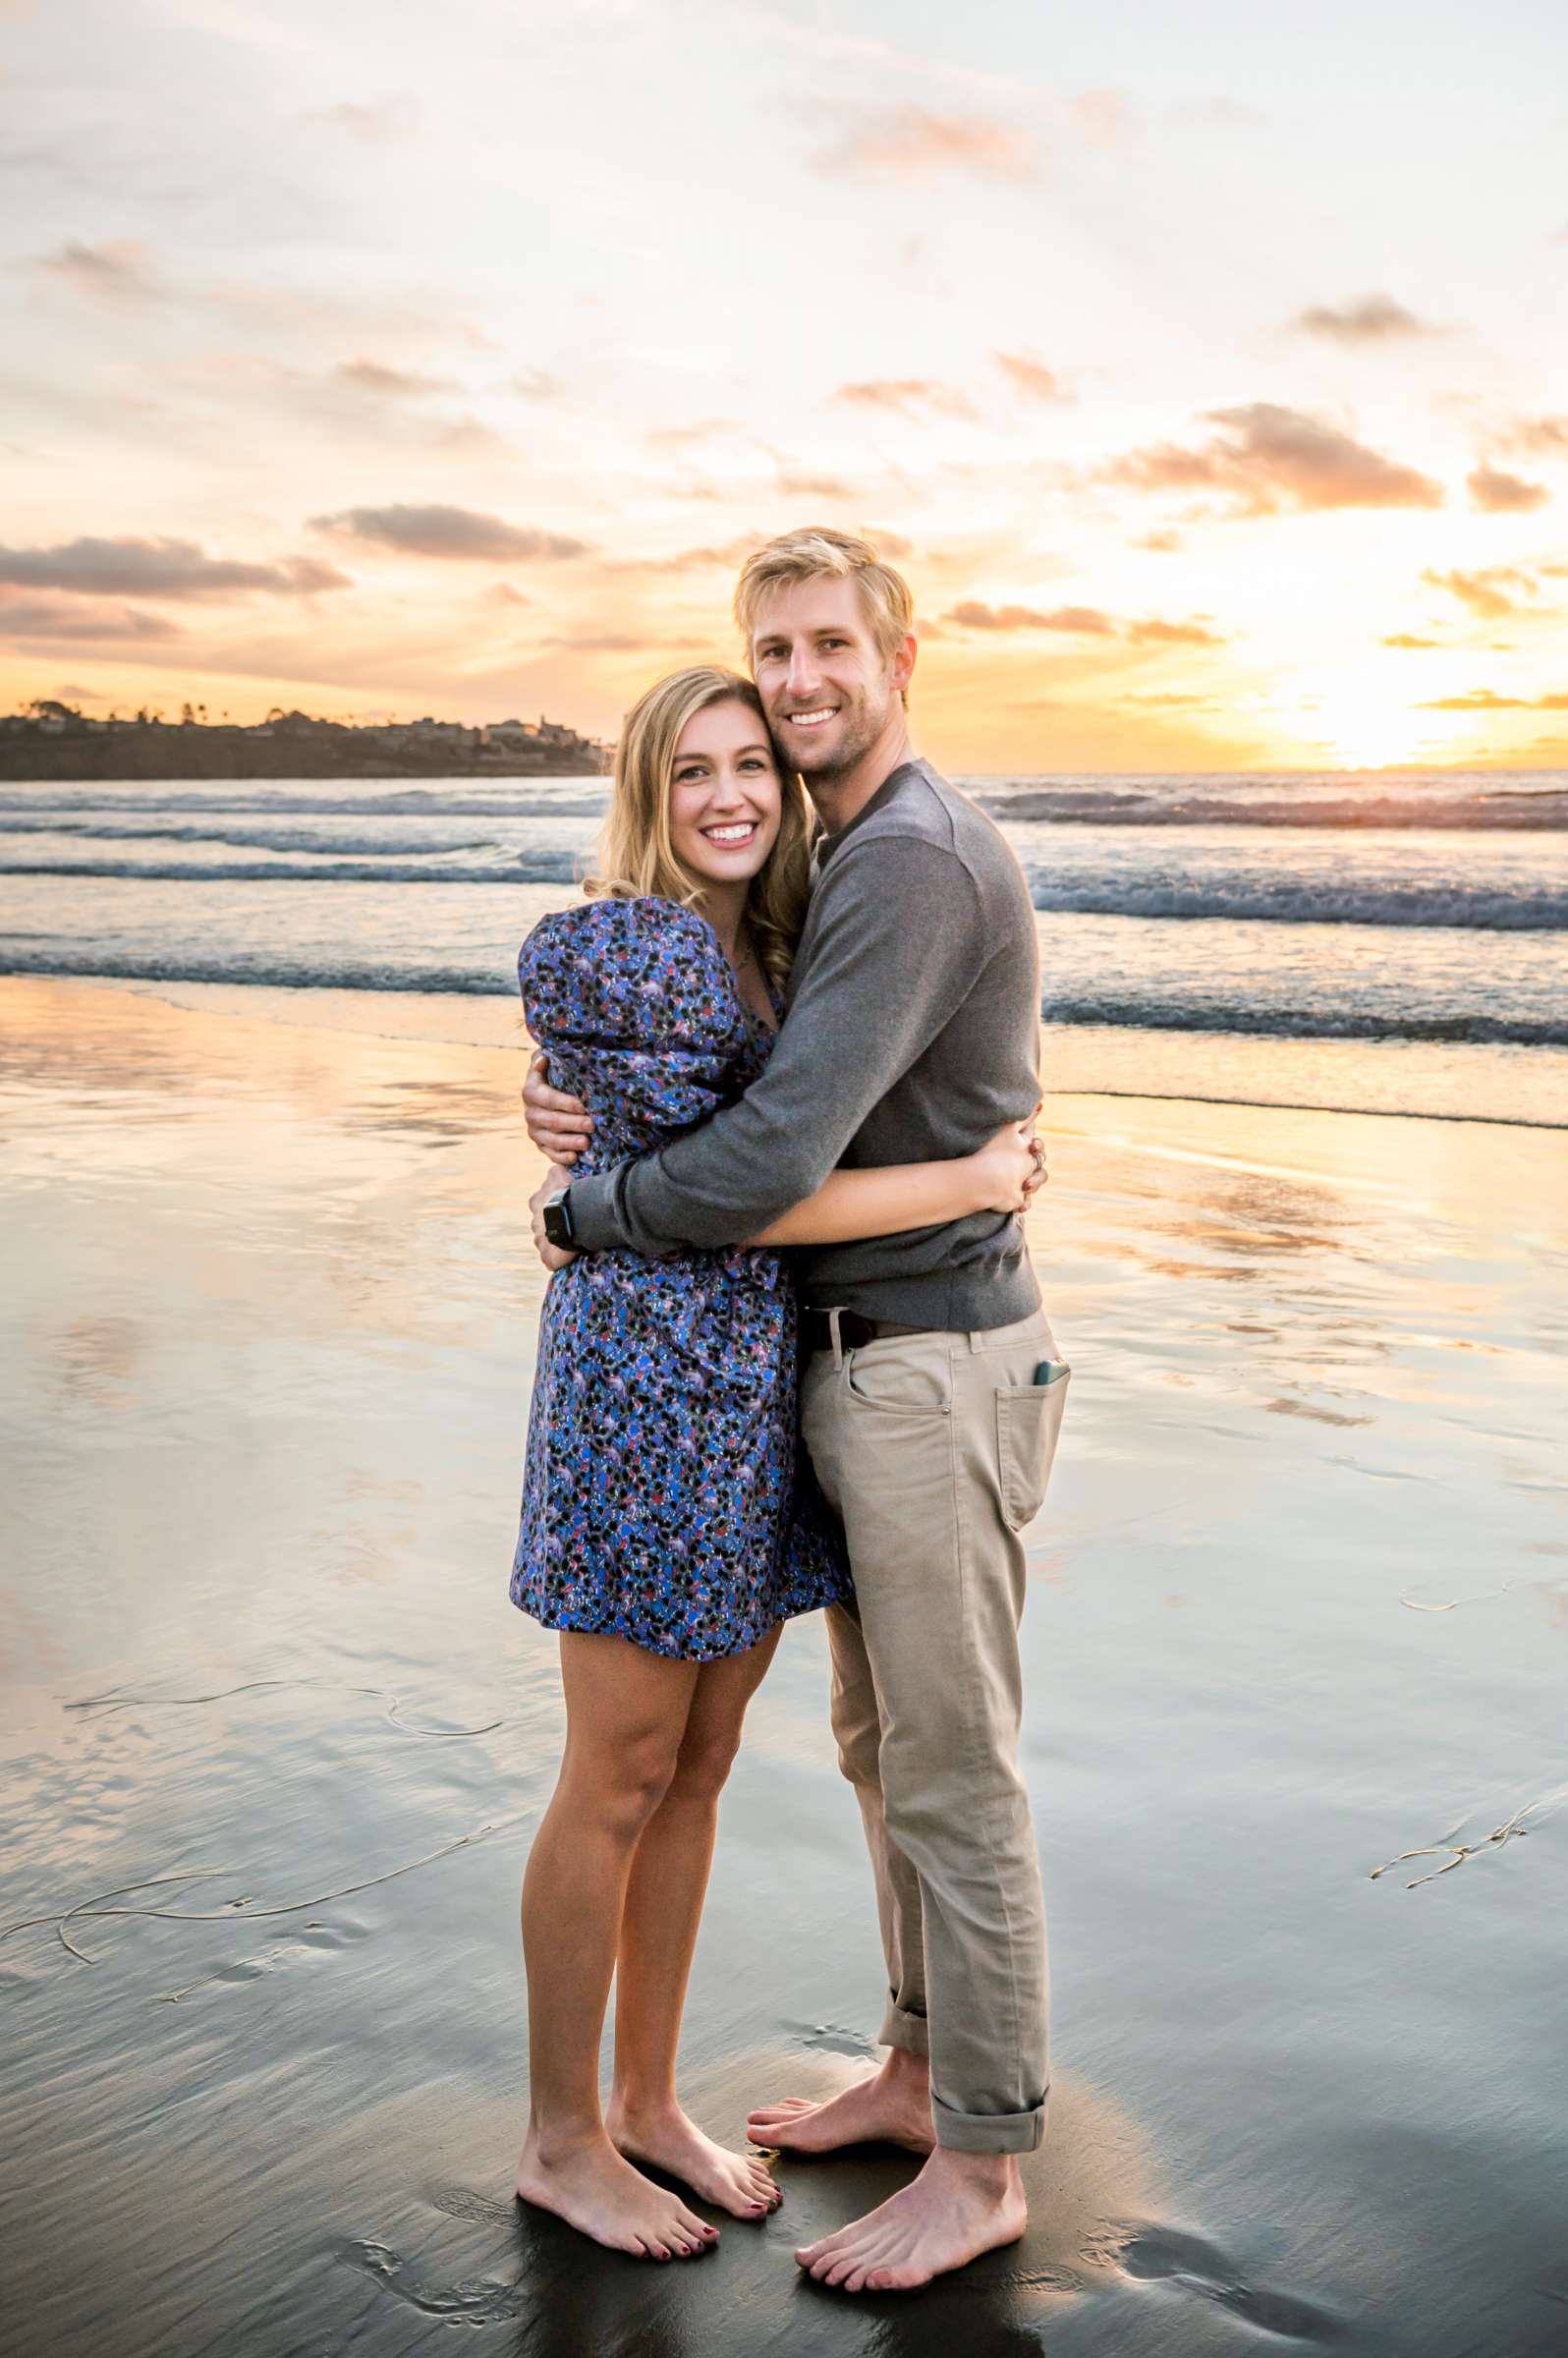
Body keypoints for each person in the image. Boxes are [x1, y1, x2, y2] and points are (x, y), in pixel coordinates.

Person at [524, 529, 1070, 2296]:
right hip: (759, 1374)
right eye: (772, 661)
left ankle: (975, 2158)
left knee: (927, 1764)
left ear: (902, 654)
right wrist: (589, 1160)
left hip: (892, 1369)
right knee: (819, 1754)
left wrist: (595, 1196)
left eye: (830, 650)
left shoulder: (890, 867)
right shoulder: (778, 895)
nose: (797, 689)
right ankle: (853, 2085)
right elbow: (722, 1130)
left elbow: (753, 1159)